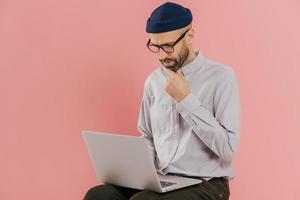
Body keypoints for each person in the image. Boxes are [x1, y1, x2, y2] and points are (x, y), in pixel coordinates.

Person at [83, 2, 241, 200]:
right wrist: (139, 175)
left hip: (207, 183)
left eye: (167, 46)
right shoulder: (153, 82)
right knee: (99, 195)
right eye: (155, 46)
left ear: (190, 36)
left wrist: (185, 100)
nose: (161, 56)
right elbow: (147, 137)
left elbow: (227, 149)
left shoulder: (221, 77)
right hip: (163, 179)